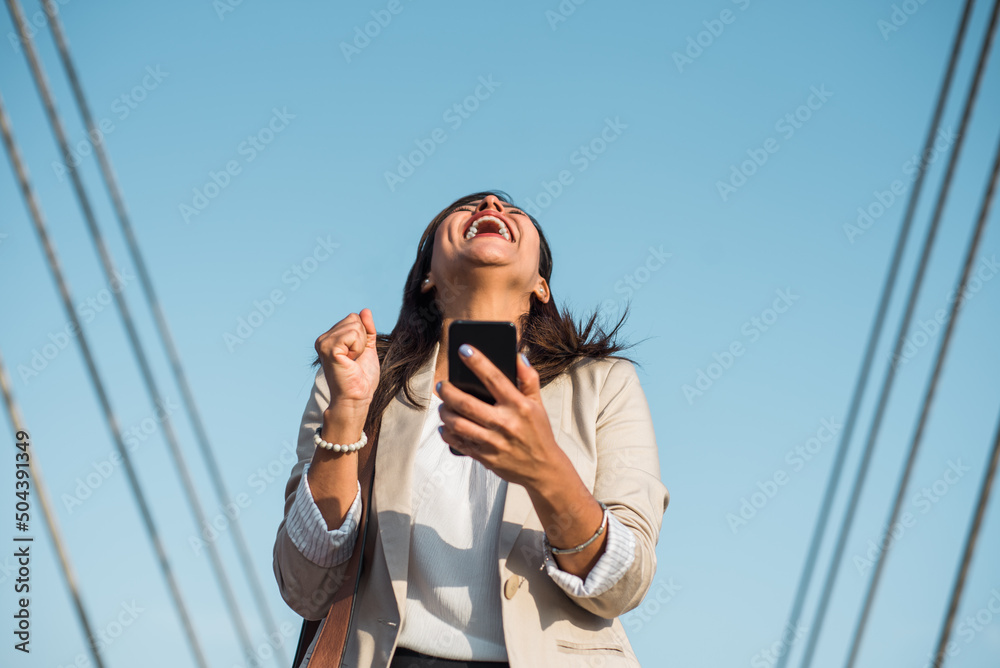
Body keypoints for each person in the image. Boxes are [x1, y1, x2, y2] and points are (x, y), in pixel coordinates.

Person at [273, 191, 669, 667]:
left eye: (513, 210)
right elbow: (304, 587)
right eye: (467, 208)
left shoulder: (603, 382)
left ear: (541, 285)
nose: (490, 205)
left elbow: (624, 583)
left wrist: (545, 470)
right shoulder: (360, 374)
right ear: (427, 278)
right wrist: (347, 411)